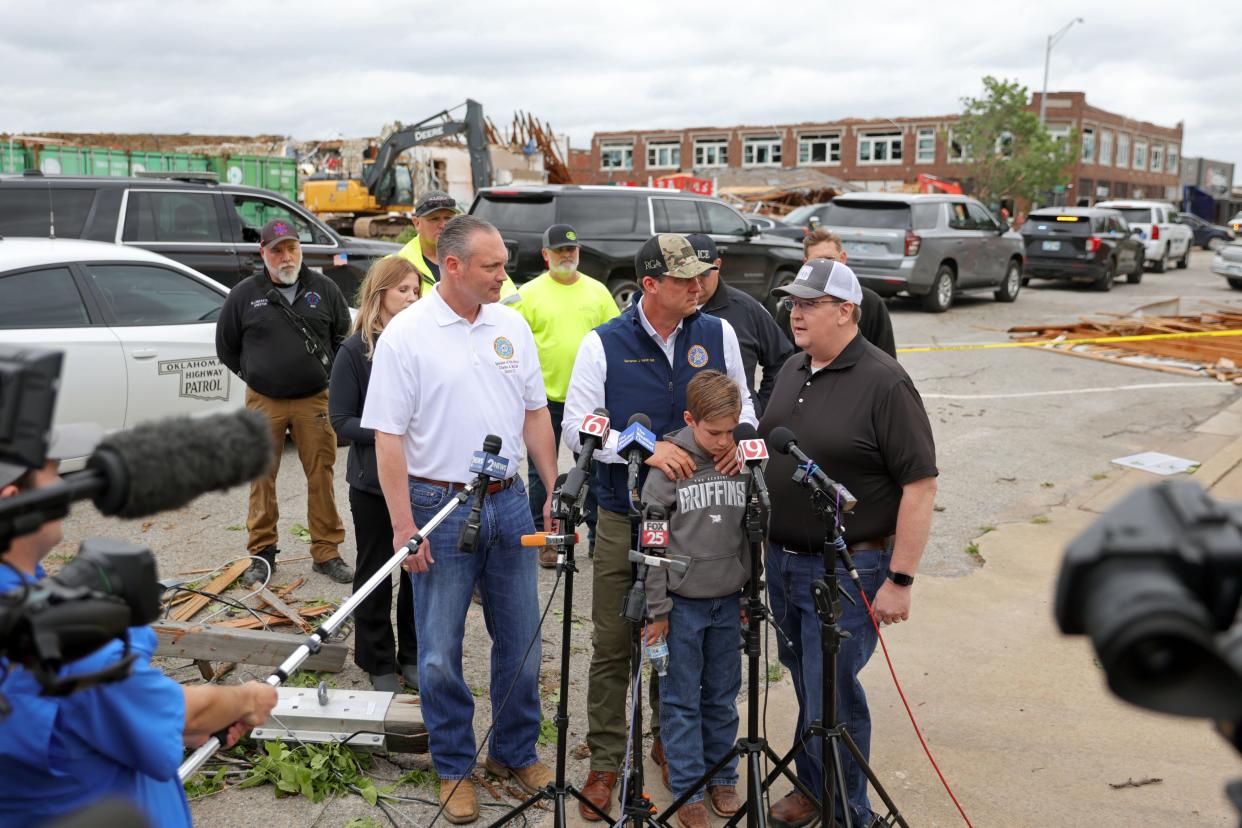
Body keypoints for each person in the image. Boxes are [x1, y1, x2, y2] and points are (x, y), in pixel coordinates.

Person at [362, 214, 559, 824]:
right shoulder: (407, 335)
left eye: (503, 263)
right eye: (492, 266)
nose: (505, 275)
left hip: (508, 501)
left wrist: (552, 490)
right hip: (437, 506)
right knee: (441, 652)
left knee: (523, 643)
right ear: (451, 266)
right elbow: (387, 439)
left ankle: (513, 751)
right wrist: (403, 526)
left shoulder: (512, 324)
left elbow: (534, 415)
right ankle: (453, 766)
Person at [562, 232, 757, 821]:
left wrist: (737, 444)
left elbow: (745, 408)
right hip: (625, 515)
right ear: (650, 285)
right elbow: (577, 426)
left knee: (674, 640)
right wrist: (643, 446)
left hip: (701, 519)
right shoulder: (603, 343)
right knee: (616, 640)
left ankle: (669, 747)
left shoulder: (716, 332)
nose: (699, 286)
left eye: (701, 276)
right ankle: (604, 763)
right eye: (685, 278)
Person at [0, 430, 278, 827]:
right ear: (14, 504)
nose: (63, 488)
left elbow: (80, 721)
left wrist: (156, 725)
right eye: (52, 475)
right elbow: (186, 715)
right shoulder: (54, 638)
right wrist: (247, 699)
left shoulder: (22, 594)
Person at [760, 259, 937, 828]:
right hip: (782, 561)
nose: (796, 313)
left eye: (810, 304)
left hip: (847, 567)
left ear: (846, 311)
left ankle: (848, 812)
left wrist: (901, 579)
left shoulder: (885, 382)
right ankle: (813, 787)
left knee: (833, 692)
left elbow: (920, 486)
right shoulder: (792, 368)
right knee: (807, 680)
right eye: (793, 303)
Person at [216, 218, 355, 586]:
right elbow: (226, 348)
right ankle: (262, 554)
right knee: (261, 477)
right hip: (264, 402)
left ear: (300, 250)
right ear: (262, 253)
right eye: (276, 250)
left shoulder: (324, 289)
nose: (285, 256)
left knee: (321, 475)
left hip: (315, 400)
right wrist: (257, 376)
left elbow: (344, 340)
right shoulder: (244, 294)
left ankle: (326, 552)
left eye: (291, 248)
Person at [641, 370, 749, 828]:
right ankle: (687, 786)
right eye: (714, 432)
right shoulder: (669, 467)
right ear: (690, 419)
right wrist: (658, 611)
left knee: (723, 697)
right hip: (682, 607)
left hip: (729, 599)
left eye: (732, 430)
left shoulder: (740, 461)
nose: (725, 442)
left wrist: (748, 593)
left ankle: (723, 775)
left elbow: (751, 534)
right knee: (681, 698)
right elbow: (652, 546)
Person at [329, 255, 423, 693]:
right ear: (379, 294)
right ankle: (376, 658)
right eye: (403, 290)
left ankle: (413, 655)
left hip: (421, 479)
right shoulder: (355, 351)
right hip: (371, 481)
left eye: (416, 290)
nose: (411, 297)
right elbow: (341, 420)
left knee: (417, 569)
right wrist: (390, 432)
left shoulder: (423, 345)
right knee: (375, 569)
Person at [512, 223, 619, 565]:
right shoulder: (526, 295)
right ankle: (544, 538)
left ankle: (597, 538)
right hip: (542, 401)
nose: (566, 256)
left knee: (591, 469)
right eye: (559, 251)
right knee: (539, 472)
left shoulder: (598, 292)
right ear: (545, 255)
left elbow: (615, 340)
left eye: (571, 250)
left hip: (589, 402)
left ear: (579, 252)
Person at [687, 233, 794, 416]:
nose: (697, 282)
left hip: (735, 427)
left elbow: (782, 358)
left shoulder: (746, 308)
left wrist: (760, 408)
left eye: (703, 273)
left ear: (718, 265)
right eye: (689, 273)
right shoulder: (670, 309)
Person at [397, 190, 521, 304]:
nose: (443, 225)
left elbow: (509, 301)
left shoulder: (476, 258)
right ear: (416, 223)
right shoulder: (398, 265)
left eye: (448, 218)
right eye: (434, 219)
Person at [802, 228, 897, 359]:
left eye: (830, 259)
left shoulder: (871, 303)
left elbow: (887, 359)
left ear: (842, 258)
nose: (826, 266)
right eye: (818, 261)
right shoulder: (793, 306)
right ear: (806, 263)